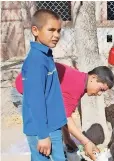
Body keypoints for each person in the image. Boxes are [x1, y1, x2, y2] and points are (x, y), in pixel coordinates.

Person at [16, 63, 114, 161]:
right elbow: (65, 118)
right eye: (101, 89)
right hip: (26, 92)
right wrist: (86, 142)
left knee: (48, 145)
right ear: (93, 77)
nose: (99, 94)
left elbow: (61, 112)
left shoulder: (81, 80)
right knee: (43, 143)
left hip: (33, 91)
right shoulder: (77, 85)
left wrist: (67, 138)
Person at [21, 9, 67, 160]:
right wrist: (42, 135)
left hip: (52, 126)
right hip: (43, 130)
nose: (56, 35)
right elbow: (35, 100)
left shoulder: (45, 55)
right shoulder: (36, 61)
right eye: (51, 30)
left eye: (59, 30)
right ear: (35, 30)